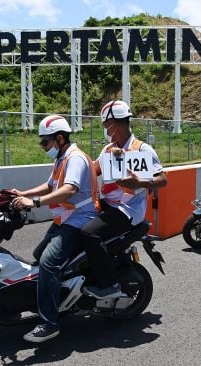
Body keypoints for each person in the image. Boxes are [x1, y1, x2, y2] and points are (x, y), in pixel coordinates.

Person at [11, 115, 99, 343]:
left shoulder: (75, 159)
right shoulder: (62, 158)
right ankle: (58, 295)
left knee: (48, 263)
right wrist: (24, 193)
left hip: (79, 219)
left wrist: (36, 203)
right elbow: (51, 185)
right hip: (66, 219)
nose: (43, 147)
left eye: (45, 142)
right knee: (39, 256)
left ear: (60, 138)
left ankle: (49, 323)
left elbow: (69, 190)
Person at [80, 100, 167, 299]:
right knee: (77, 218)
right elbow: (94, 170)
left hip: (128, 210)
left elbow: (162, 180)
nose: (104, 129)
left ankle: (109, 284)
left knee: (89, 234)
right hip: (108, 204)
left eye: (105, 124)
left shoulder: (143, 150)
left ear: (114, 124)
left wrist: (141, 182)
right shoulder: (109, 149)